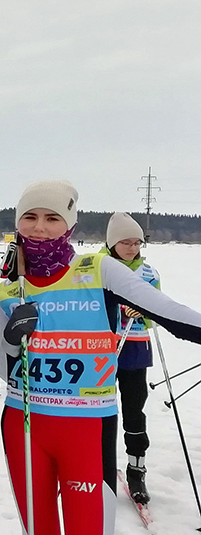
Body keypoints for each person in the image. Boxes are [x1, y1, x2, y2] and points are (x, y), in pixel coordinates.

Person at [0, 180, 201, 535]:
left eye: (52, 218)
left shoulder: (98, 269)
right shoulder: (8, 286)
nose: (40, 227)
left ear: (70, 224)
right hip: (24, 427)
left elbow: (171, 314)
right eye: (30, 217)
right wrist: (11, 338)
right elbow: (7, 371)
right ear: (17, 222)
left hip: (86, 432)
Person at [103, 212, 159, 504]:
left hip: (135, 349)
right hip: (101, 348)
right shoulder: (98, 268)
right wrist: (118, 308)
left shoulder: (148, 274)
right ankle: (99, 466)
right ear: (112, 243)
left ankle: (136, 470)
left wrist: (145, 311)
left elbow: (158, 313)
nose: (132, 248)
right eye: (126, 242)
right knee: (100, 411)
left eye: (137, 243)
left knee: (134, 410)